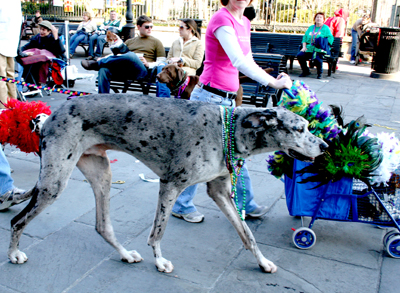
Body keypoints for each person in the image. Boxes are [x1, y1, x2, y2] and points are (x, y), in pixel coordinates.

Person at [171, 0, 292, 223]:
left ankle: (246, 204)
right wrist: (273, 84)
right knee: (200, 155)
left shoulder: (244, 21)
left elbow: (247, 58)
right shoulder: (221, 19)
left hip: (227, 99)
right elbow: (238, 61)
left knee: (236, 152)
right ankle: (181, 204)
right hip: (209, 98)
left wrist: (273, 80)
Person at [81, 15, 168, 96]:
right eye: (147, 27)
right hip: (125, 70)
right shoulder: (130, 41)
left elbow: (162, 62)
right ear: (138, 27)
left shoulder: (156, 42)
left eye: (151, 27)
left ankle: (98, 63)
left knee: (132, 56)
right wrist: (105, 57)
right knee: (104, 70)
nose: (150, 29)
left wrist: (149, 64)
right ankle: (103, 99)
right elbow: (118, 55)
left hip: (142, 71)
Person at [19, 20, 66, 86]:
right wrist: (19, 51)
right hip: (38, 59)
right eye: (40, 29)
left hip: (52, 59)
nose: (41, 31)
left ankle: (35, 85)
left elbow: (61, 51)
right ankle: (31, 85)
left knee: (34, 65)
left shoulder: (53, 38)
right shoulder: (37, 38)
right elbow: (27, 46)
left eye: (43, 30)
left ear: (49, 31)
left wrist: (56, 37)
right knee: (27, 63)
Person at [297, 12, 333, 79]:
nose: (318, 19)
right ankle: (305, 71)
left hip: (319, 49)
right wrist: (304, 47)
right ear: (315, 19)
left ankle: (319, 73)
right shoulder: (311, 28)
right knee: (300, 55)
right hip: (309, 48)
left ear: (323, 19)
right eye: (317, 17)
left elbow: (330, 39)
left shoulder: (326, 28)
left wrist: (322, 42)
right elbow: (304, 38)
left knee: (318, 58)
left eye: (320, 17)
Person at [0, 1, 22, 107]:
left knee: (2, 78)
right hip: (11, 41)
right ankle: (13, 105)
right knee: (9, 76)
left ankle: (3, 107)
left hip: (3, 39)